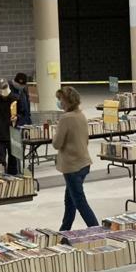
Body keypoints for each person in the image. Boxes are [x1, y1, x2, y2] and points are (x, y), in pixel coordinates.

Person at [52, 86, 98, 230]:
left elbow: (57, 143)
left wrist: (55, 134)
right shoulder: (81, 115)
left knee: (79, 202)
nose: (59, 102)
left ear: (67, 101)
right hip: (84, 163)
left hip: (71, 166)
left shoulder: (65, 118)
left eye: (60, 99)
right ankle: (64, 230)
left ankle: (96, 229)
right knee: (70, 201)